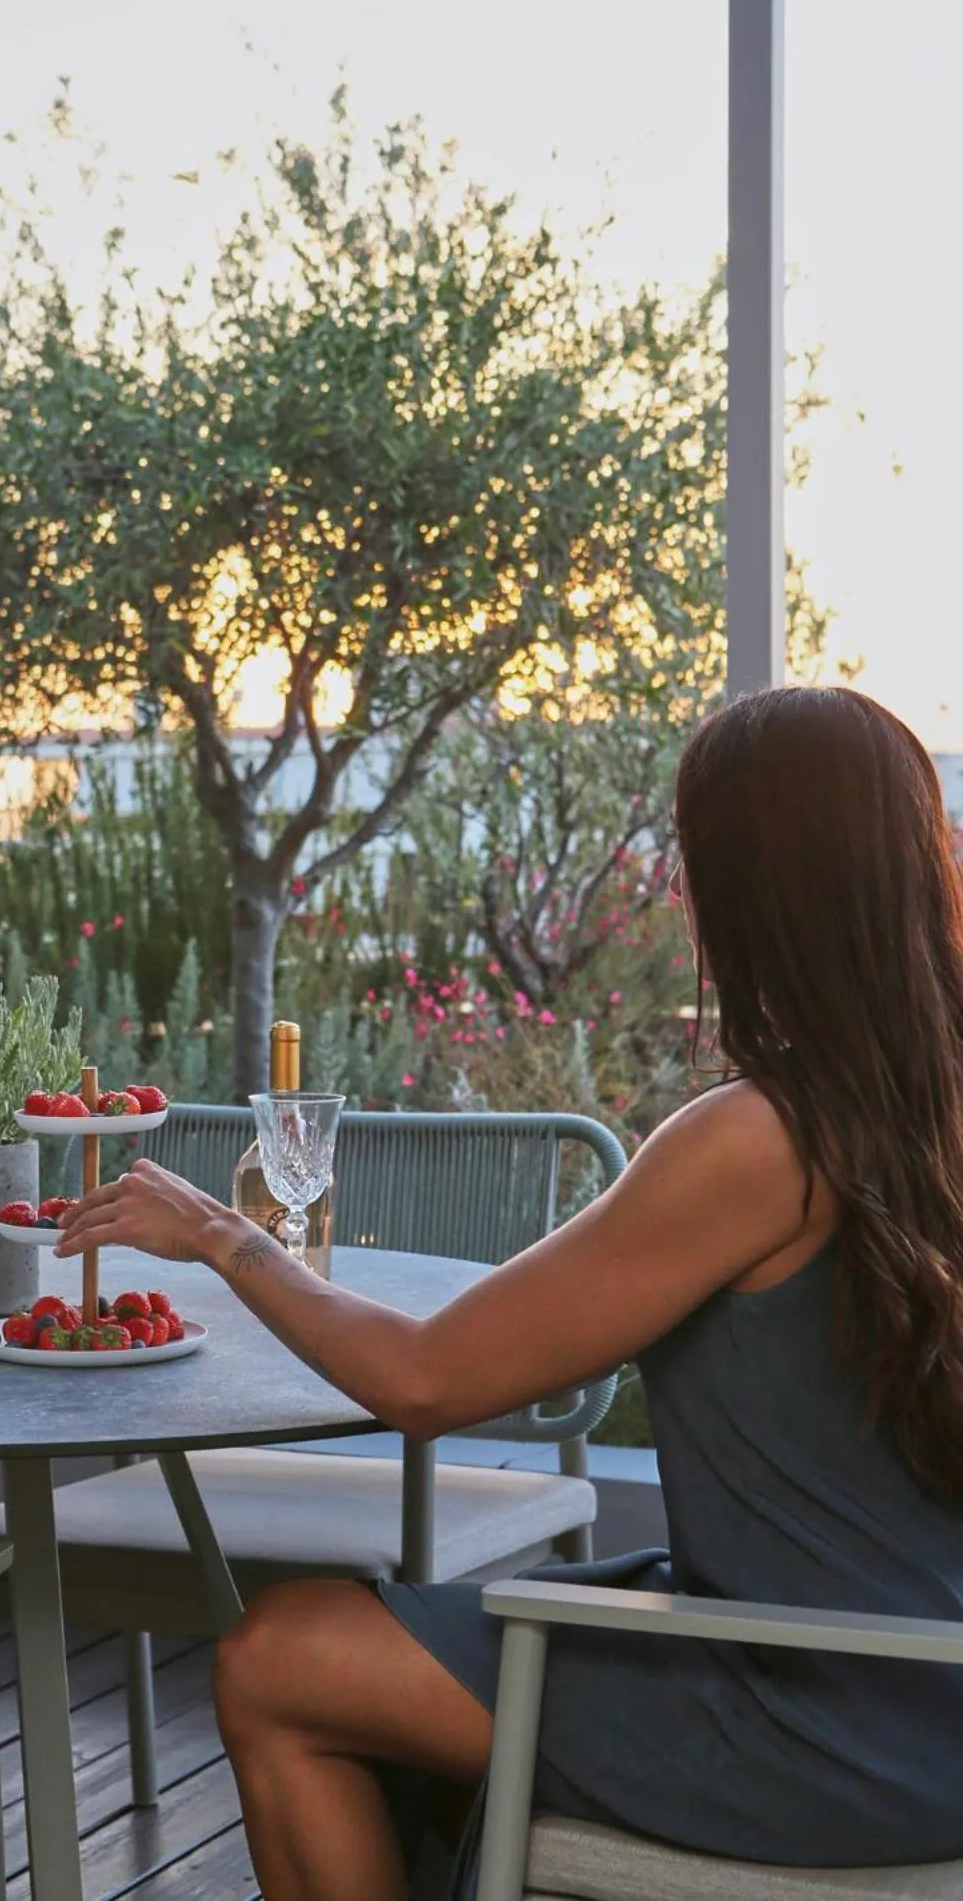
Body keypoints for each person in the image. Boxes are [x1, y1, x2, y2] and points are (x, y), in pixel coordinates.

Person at [56, 687, 963, 1900]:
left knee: (278, 1657)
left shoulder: (758, 1138)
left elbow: (425, 1382)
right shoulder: (924, 1110)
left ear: (743, 888)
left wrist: (225, 1236)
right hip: (916, 1686)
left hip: (820, 1717)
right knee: (419, 1637)